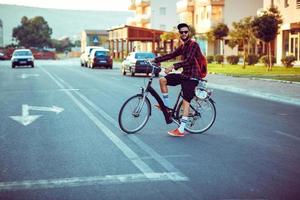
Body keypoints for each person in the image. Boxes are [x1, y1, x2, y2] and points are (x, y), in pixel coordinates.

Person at [153, 23, 204, 137]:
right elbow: (171, 55)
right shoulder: (183, 46)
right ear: (179, 33)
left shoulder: (193, 45)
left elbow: (189, 61)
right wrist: (155, 59)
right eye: (182, 32)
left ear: (189, 32)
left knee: (186, 101)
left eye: (186, 32)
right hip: (184, 75)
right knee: (163, 80)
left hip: (192, 77)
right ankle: (167, 108)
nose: (184, 34)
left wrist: (173, 66)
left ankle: (181, 130)